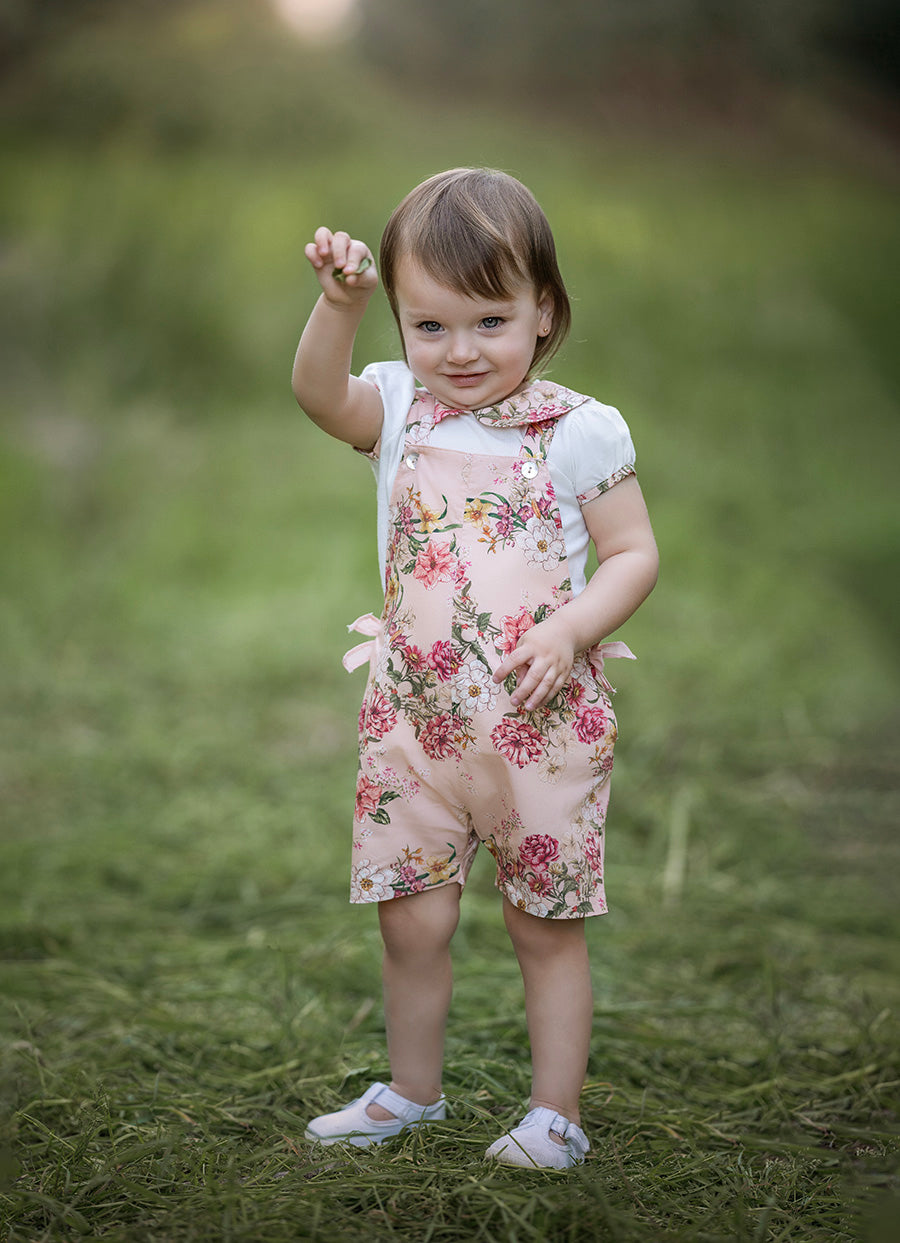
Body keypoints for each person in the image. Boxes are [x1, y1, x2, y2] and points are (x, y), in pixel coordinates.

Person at [291, 168, 658, 1169]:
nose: (460, 352)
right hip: (413, 719)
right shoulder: (401, 408)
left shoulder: (580, 430)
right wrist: (339, 307)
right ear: (404, 323)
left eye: (490, 321)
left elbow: (633, 554)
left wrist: (572, 627)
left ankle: (555, 1114)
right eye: (430, 325)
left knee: (545, 924)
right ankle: (412, 1090)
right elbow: (320, 395)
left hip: (541, 725)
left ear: (544, 310)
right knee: (411, 919)